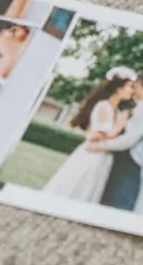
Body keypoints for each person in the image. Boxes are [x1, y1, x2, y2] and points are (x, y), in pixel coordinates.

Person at [90, 73, 143, 215]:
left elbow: (129, 140)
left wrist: (100, 146)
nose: (133, 89)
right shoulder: (142, 106)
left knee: (118, 204)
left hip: (130, 163)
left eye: (136, 85)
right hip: (123, 160)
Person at [42, 75, 130, 203]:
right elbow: (95, 135)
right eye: (129, 87)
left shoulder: (115, 110)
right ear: (118, 88)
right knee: (77, 187)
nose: (132, 91)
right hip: (92, 155)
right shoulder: (104, 106)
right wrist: (119, 127)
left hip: (103, 156)